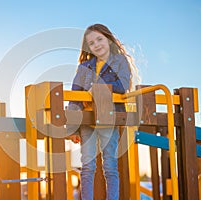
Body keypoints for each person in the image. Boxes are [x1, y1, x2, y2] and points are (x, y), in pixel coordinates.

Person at [67, 24, 137, 200]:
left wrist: (97, 88)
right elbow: (75, 96)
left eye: (99, 39)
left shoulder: (119, 61)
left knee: (110, 165)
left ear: (108, 39)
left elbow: (122, 86)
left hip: (109, 117)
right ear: (87, 47)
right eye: (91, 43)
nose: (96, 45)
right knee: (88, 165)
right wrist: (73, 128)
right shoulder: (84, 67)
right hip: (87, 119)